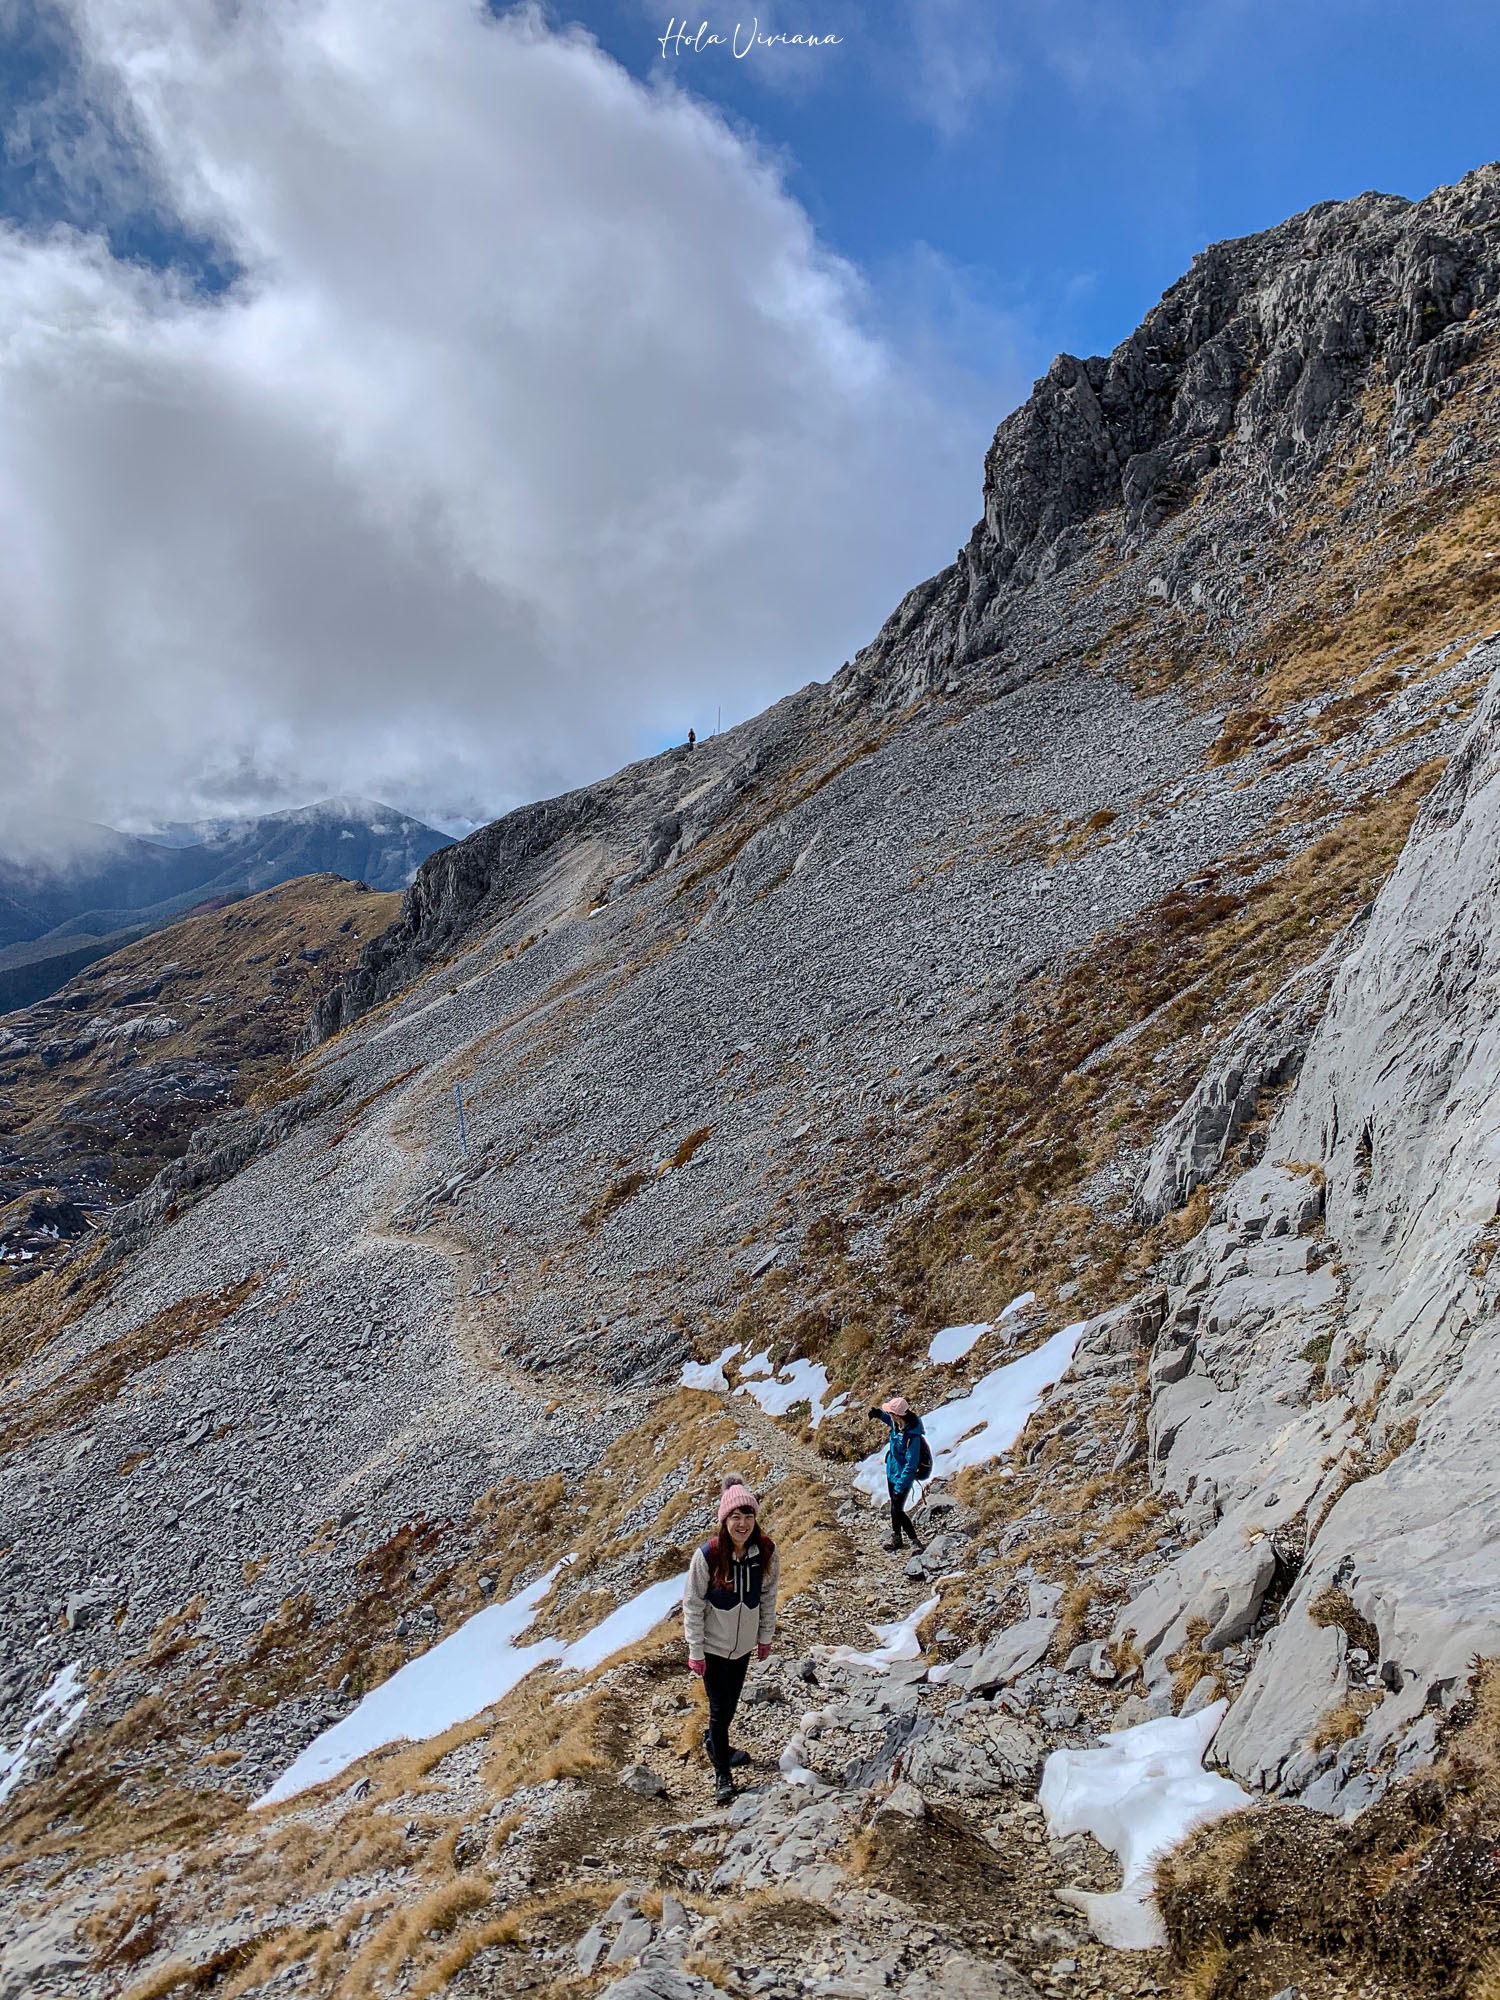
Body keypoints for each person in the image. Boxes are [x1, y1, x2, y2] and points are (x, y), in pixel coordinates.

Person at [683, 1476, 779, 1805]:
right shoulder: (708, 1555)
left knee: (730, 1707)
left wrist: (764, 1636)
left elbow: (768, 1595)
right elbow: (693, 1604)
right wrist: (695, 1650)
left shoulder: (765, 1551)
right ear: (724, 1521)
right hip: (712, 1647)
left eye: (748, 1516)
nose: (743, 1524)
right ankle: (722, 1775)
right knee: (719, 1708)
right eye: (735, 1517)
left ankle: (715, 1743)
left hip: (742, 1647)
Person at [868, 1396, 926, 1553]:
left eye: (890, 1413)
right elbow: (889, 1420)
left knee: (896, 1509)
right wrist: (879, 1414)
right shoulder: (898, 1424)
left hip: (902, 1478)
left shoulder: (912, 1437)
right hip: (892, 1471)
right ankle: (897, 1536)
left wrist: (900, 1486)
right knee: (895, 1507)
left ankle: (914, 1540)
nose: (889, 1415)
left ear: (898, 1415)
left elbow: (911, 1465)